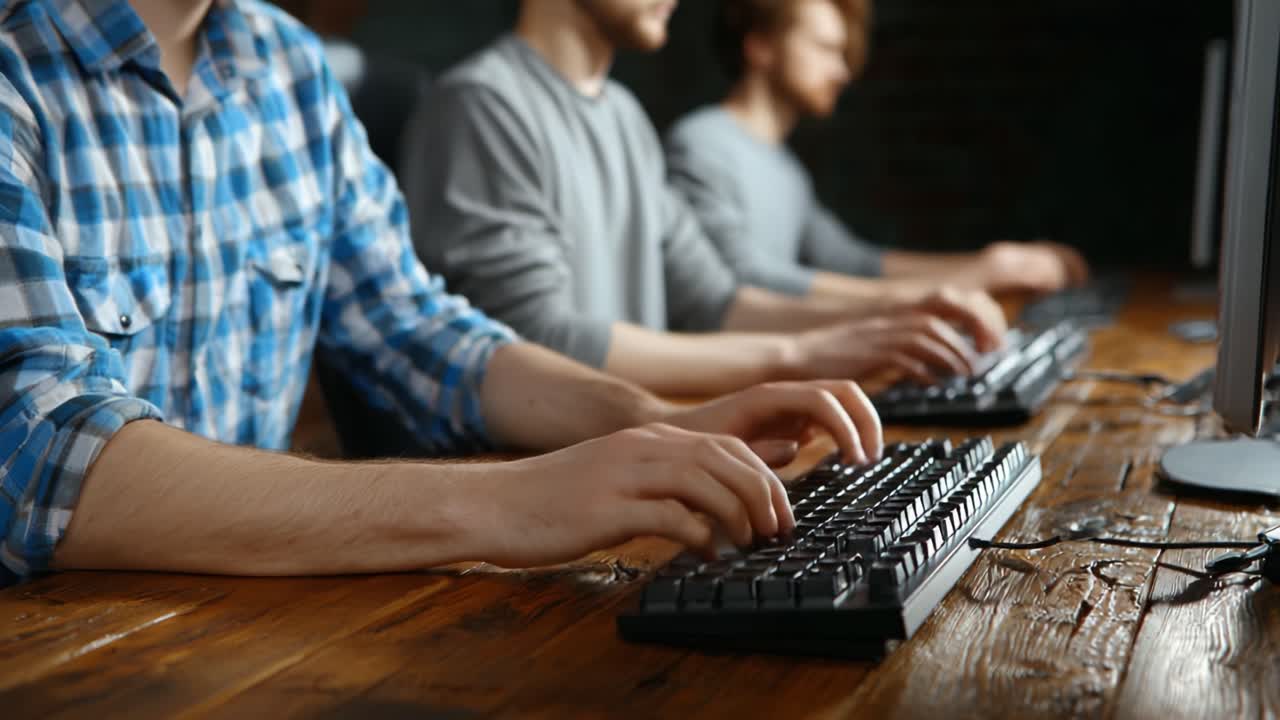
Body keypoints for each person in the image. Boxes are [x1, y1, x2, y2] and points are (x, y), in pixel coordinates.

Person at [0, 0, 889, 585]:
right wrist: (508, 502)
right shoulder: (15, 70)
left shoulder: (287, 67)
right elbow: (38, 453)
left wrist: (648, 418)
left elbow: (414, 327)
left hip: (244, 630)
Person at [401, 0, 1012, 398]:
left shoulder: (624, 117)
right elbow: (538, 343)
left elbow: (716, 300)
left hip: (627, 478)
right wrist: (799, 356)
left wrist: (896, 313)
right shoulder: (480, 104)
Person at [665, 0, 1091, 301]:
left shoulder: (784, 166)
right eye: (825, 49)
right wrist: (958, 285)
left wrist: (994, 264)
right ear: (760, 45)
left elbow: (852, 262)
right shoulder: (702, 144)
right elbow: (743, 281)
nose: (843, 71)